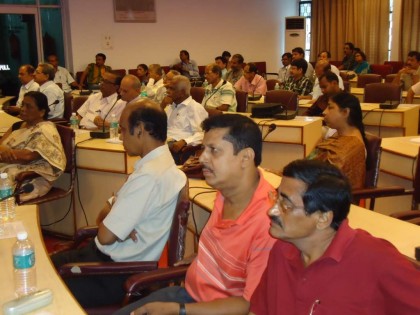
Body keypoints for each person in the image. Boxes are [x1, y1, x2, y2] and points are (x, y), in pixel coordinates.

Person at [116, 114, 276, 315]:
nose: (201, 158)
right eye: (203, 148)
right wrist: (206, 256)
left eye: (213, 151)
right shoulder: (226, 190)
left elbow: (250, 305)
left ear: (245, 157)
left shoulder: (269, 222)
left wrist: (179, 310)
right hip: (189, 295)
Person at [50, 100, 187, 308]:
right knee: (47, 263)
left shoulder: (149, 175)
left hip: (111, 273)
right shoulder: (165, 166)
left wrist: (114, 207)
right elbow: (105, 220)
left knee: (44, 284)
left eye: (123, 130)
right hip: (111, 262)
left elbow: (105, 236)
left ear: (140, 130)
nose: (120, 136)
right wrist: (117, 211)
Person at [250, 159, 420, 315]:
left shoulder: (376, 259)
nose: (271, 211)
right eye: (275, 198)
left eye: (286, 205)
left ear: (323, 218)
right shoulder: (282, 250)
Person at [0, 91, 65, 201]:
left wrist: (6, 152)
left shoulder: (45, 129)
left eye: (29, 106)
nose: (23, 109)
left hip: (30, 178)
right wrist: (3, 150)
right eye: (22, 105)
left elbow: (28, 156)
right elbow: (1, 144)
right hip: (7, 165)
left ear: (41, 112)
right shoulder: (17, 125)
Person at [307, 92, 366, 189]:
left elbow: (327, 181)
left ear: (345, 112)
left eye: (330, 107)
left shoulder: (353, 145)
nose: (324, 112)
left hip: (326, 197)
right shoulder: (338, 135)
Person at [165, 75, 208, 164]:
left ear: (182, 92)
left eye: (171, 89)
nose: (167, 92)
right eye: (168, 88)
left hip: (178, 147)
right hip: (164, 142)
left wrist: (185, 141)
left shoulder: (195, 108)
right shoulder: (171, 106)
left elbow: (204, 133)